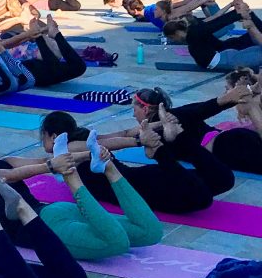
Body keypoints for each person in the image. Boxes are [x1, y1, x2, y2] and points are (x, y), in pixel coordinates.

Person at [0, 124, 162, 259]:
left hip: (47, 226)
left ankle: (75, 178)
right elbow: (32, 166)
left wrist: (56, 165)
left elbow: (16, 175)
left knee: (115, 243)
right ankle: (110, 170)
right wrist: (91, 155)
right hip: (58, 213)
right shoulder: (5, 161)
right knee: (149, 232)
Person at [45, 91, 235, 213]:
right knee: (215, 184)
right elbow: (120, 137)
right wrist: (140, 139)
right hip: (146, 181)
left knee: (216, 186)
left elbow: (124, 134)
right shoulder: (80, 145)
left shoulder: (70, 147)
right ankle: (175, 142)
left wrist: (163, 122)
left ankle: (161, 149)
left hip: (141, 186)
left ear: (52, 136)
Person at [163, 0, 262, 71]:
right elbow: (215, 21)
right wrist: (237, 13)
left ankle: (248, 13)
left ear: (175, 34)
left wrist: (237, 13)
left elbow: (216, 23)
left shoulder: (194, 34)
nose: (175, 40)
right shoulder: (194, 33)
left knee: (247, 40)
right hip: (224, 54)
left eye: (172, 38)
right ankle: (248, 13)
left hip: (226, 57)